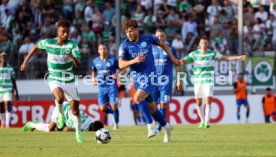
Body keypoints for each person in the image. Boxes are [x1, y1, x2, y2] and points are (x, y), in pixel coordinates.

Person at [20, 20, 84, 143]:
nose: (66, 34)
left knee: (75, 110)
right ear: (58, 31)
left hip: (69, 80)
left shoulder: (72, 45)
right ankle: (60, 115)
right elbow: (36, 47)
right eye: (63, 32)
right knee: (59, 97)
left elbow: (79, 64)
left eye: (68, 32)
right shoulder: (49, 43)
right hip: (54, 78)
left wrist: (72, 57)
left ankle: (78, 133)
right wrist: (24, 62)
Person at [118, 19, 180, 143]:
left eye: (130, 31)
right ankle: (167, 127)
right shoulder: (124, 45)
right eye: (126, 32)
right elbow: (120, 64)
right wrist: (134, 61)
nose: (128, 34)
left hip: (151, 76)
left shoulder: (148, 38)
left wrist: (172, 57)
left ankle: (150, 126)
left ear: (136, 30)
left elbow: (163, 44)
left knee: (138, 98)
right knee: (152, 109)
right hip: (137, 79)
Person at [180, 37, 246, 128]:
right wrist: (180, 61)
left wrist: (238, 57)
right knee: (199, 103)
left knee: (208, 101)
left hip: (208, 81)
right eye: (202, 43)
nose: (204, 45)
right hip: (198, 82)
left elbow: (225, 58)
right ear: (199, 44)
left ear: (208, 44)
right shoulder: (194, 54)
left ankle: (207, 121)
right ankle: (202, 120)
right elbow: (183, 60)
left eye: (205, 43)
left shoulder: (212, 53)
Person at [152, 29, 181, 133]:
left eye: (162, 36)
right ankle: (165, 124)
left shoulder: (170, 49)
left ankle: (159, 129)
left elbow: (178, 64)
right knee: (153, 106)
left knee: (163, 104)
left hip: (166, 81)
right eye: (158, 36)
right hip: (153, 81)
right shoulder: (150, 49)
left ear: (165, 38)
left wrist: (178, 81)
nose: (160, 38)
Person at [92, 44, 125, 130]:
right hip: (101, 87)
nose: (102, 50)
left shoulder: (113, 60)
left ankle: (116, 124)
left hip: (112, 86)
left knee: (113, 105)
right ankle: (115, 113)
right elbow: (94, 71)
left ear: (108, 50)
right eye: (101, 49)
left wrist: (118, 75)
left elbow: (124, 69)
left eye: (104, 48)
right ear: (98, 51)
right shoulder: (95, 61)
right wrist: (93, 79)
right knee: (102, 108)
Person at [22, 101, 104, 132]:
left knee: (58, 128)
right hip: (62, 110)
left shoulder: (89, 120)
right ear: (93, 129)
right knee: (50, 129)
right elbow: (67, 129)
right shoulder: (84, 128)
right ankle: (31, 124)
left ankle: (38, 124)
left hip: (66, 107)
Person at [0, 52, 19, 128]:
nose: (4, 59)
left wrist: (16, 92)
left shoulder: (10, 68)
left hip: (8, 89)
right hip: (0, 90)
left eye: (5, 57)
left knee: (7, 104)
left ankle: (7, 124)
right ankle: (3, 123)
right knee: (1, 108)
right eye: (2, 57)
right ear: (0, 58)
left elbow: (13, 81)